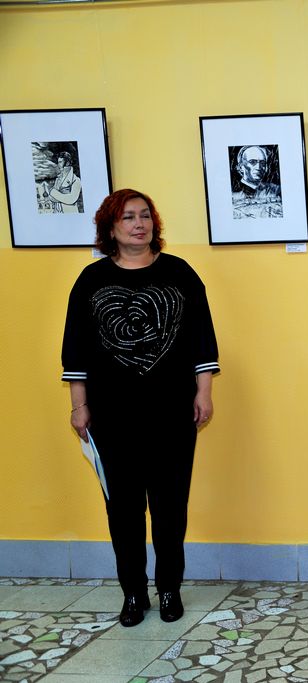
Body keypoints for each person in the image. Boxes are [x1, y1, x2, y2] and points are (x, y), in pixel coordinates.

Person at [61, 189, 220, 627]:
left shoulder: (180, 274)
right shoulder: (91, 281)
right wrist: (79, 406)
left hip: (172, 413)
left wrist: (204, 393)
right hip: (112, 416)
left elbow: (202, 339)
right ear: (110, 228)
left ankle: (169, 589)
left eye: (145, 215)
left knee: (170, 507)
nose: (139, 224)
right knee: (124, 510)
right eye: (128, 217)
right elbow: (75, 349)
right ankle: (133, 593)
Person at [231, 145, 282, 218]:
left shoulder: (276, 190)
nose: (258, 167)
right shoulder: (232, 193)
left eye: (262, 163)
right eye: (252, 162)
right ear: (240, 167)